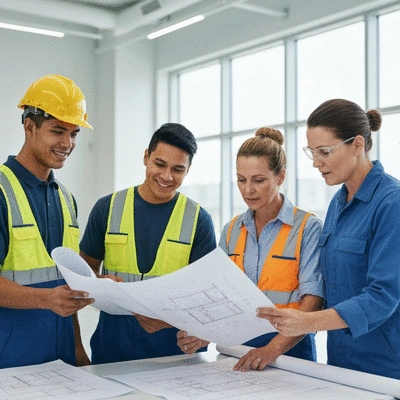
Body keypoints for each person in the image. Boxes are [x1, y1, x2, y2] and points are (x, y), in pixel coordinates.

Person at [258, 99, 400, 380]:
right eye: (312, 152)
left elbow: (383, 297)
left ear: (357, 145)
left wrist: (308, 322)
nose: (315, 162)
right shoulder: (338, 203)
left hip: (384, 369)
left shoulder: (391, 203)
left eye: (324, 152)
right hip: (339, 362)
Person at [177, 127, 324, 371]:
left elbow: (313, 301)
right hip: (239, 353)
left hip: (292, 356)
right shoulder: (232, 229)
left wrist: (271, 351)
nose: (248, 190)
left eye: (258, 180)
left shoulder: (307, 228)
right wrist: (203, 335)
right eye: (241, 180)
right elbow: (222, 297)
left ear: (280, 177)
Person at [80, 122, 217, 364]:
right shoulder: (107, 208)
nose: (166, 176)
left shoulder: (199, 220)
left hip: (175, 357)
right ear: (146, 157)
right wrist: (100, 283)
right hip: (112, 352)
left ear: (188, 169)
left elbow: (205, 297)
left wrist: (171, 322)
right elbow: (83, 272)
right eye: (159, 164)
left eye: (178, 169)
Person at [0, 74, 94, 369]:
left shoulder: (66, 199)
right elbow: (51, 296)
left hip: (62, 363)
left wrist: (79, 351)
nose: (68, 143)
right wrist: (45, 299)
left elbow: (65, 287)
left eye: (74, 133)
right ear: (29, 127)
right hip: (12, 366)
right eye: (58, 131)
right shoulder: (2, 191)